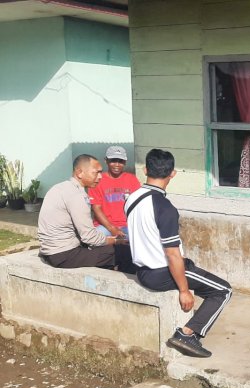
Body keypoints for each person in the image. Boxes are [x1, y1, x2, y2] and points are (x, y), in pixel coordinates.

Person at [125, 149, 232, 358]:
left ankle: (190, 329)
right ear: (172, 174)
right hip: (161, 272)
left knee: (197, 273)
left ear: (145, 170)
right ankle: (187, 334)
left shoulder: (132, 198)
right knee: (223, 291)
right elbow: (172, 254)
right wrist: (184, 290)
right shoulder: (165, 207)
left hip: (142, 270)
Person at [38, 154, 128, 269]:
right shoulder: (77, 195)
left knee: (104, 249)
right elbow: (89, 237)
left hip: (49, 251)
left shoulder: (59, 187)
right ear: (80, 173)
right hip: (63, 255)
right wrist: (116, 241)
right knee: (122, 251)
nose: (100, 177)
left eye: (101, 172)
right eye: (96, 172)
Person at [89, 146, 141, 238]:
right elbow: (96, 208)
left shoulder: (132, 179)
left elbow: (139, 205)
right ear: (106, 161)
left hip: (127, 225)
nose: (117, 164)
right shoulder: (97, 180)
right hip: (104, 226)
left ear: (125, 162)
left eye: (120, 161)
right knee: (92, 239)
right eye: (113, 160)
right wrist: (112, 229)